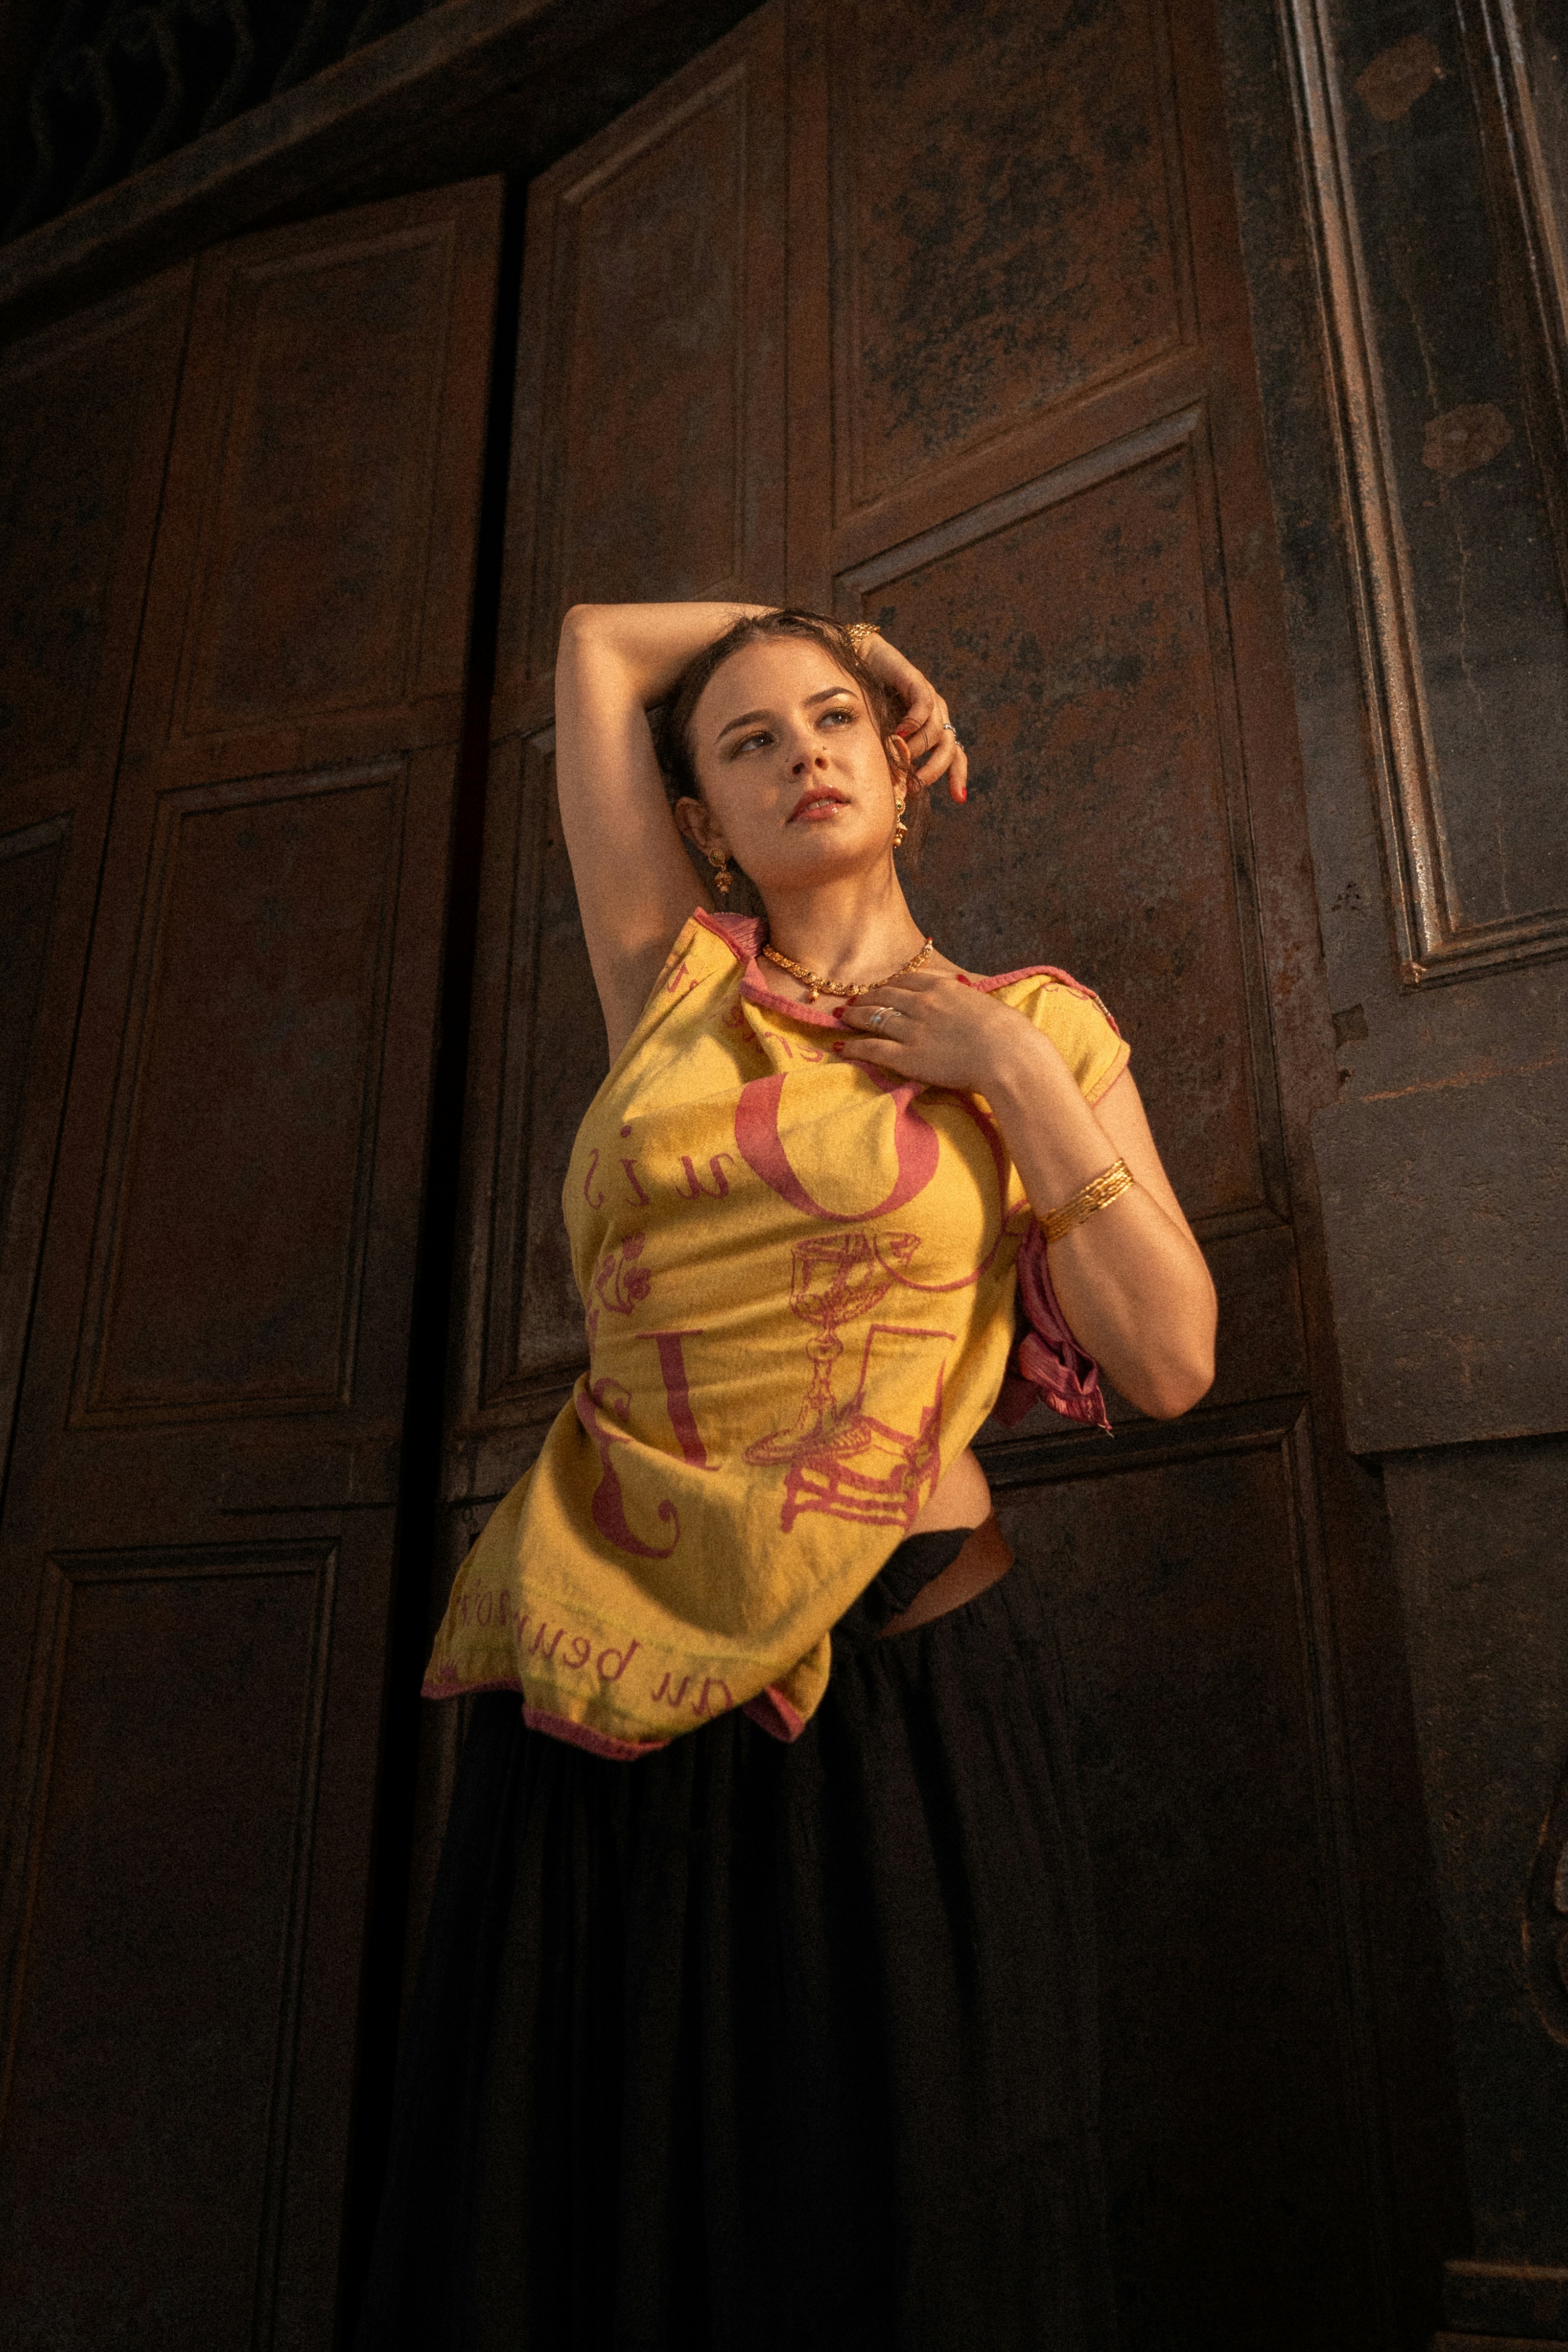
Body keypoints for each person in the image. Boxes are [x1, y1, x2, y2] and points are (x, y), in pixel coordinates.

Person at [354, 604, 1216, 2352]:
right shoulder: (665, 982)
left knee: (913, 2209)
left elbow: (1174, 1359)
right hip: (608, 1682)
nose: (807, 751)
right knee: (619, 2205)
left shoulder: (1037, 1021)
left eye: (839, 718)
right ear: (702, 821)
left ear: (901, 774)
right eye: (751, 739)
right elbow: (595, 646)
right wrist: (870, 637)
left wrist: (1011, 1078)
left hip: (906, 1689)